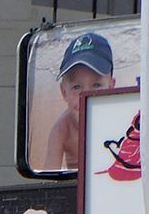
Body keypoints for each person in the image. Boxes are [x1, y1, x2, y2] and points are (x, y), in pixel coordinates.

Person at [42, 28, 115, 173]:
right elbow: (47, 177)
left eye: (96, 85)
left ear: (111, 87)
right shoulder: (62, 129)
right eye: (76, 87)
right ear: (64, 92)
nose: (86, 95)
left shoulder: (117, 120)